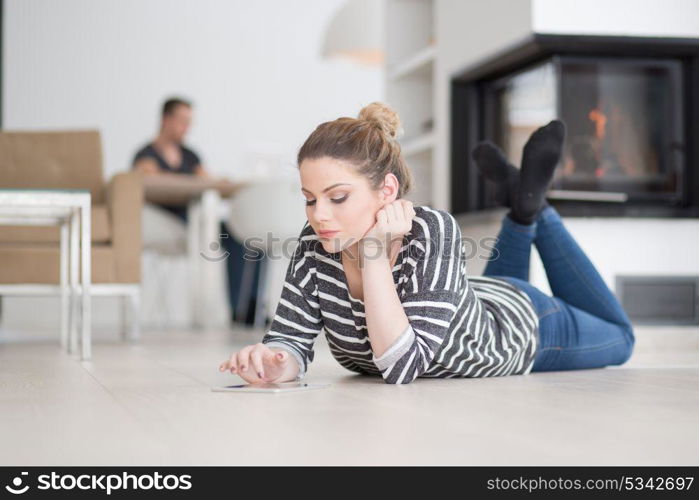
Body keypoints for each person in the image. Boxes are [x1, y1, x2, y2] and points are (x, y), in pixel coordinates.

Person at [218, 102, 635, 384]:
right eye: (309, 199)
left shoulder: (432, 229)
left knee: (621, 339)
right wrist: (273, 363)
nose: (318, 214)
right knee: (489, 297)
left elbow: (402, 368)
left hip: (525, 327)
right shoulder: (316, 245)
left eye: (337, 197)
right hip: (472, 303)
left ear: (387, 191)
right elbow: (290, 340)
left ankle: (532, 209)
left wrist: (374, 257)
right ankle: (521, 204)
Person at [133, 97, 262, 325]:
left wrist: (215, 180)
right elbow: (147, 178)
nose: (186, 127)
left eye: (189, 121)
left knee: (246, 237)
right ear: (166, 119)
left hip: (200, 221)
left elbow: (207, 179)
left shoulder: (190, 156)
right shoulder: (147, 154)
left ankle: (244, 310)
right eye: (182, 120)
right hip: (172, 225)